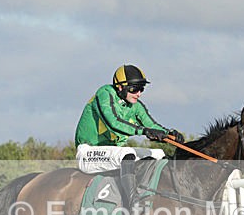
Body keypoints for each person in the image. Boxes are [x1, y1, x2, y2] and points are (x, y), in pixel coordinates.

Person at [75, 64, 184, 207]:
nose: (138, 93)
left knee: (158, 153)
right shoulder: (104, 94)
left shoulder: (135, 105)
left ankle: (154, 195)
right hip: (88, 153)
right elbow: (113, 122)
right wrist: (143, 131)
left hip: (111, 154)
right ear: (120, 87)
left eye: (141, 89)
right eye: (134, 89)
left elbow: (150, 124)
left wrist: (168, 134)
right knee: (126, 154)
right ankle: (133, 202)